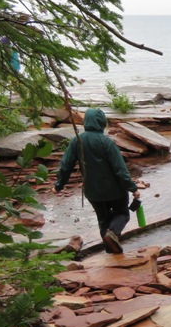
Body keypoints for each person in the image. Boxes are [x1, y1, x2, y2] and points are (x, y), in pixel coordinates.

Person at [54, 108, 140, 254]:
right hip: (115, 191)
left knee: (103, 219)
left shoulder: (77, 141)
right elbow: (120, 170)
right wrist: (133, 188)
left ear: (86, 121)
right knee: (122, 214)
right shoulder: (107, 142)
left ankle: (111, 250)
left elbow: (65, 165)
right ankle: (112, 234)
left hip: (92, 191)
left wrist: (59, 185)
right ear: (102, 122)